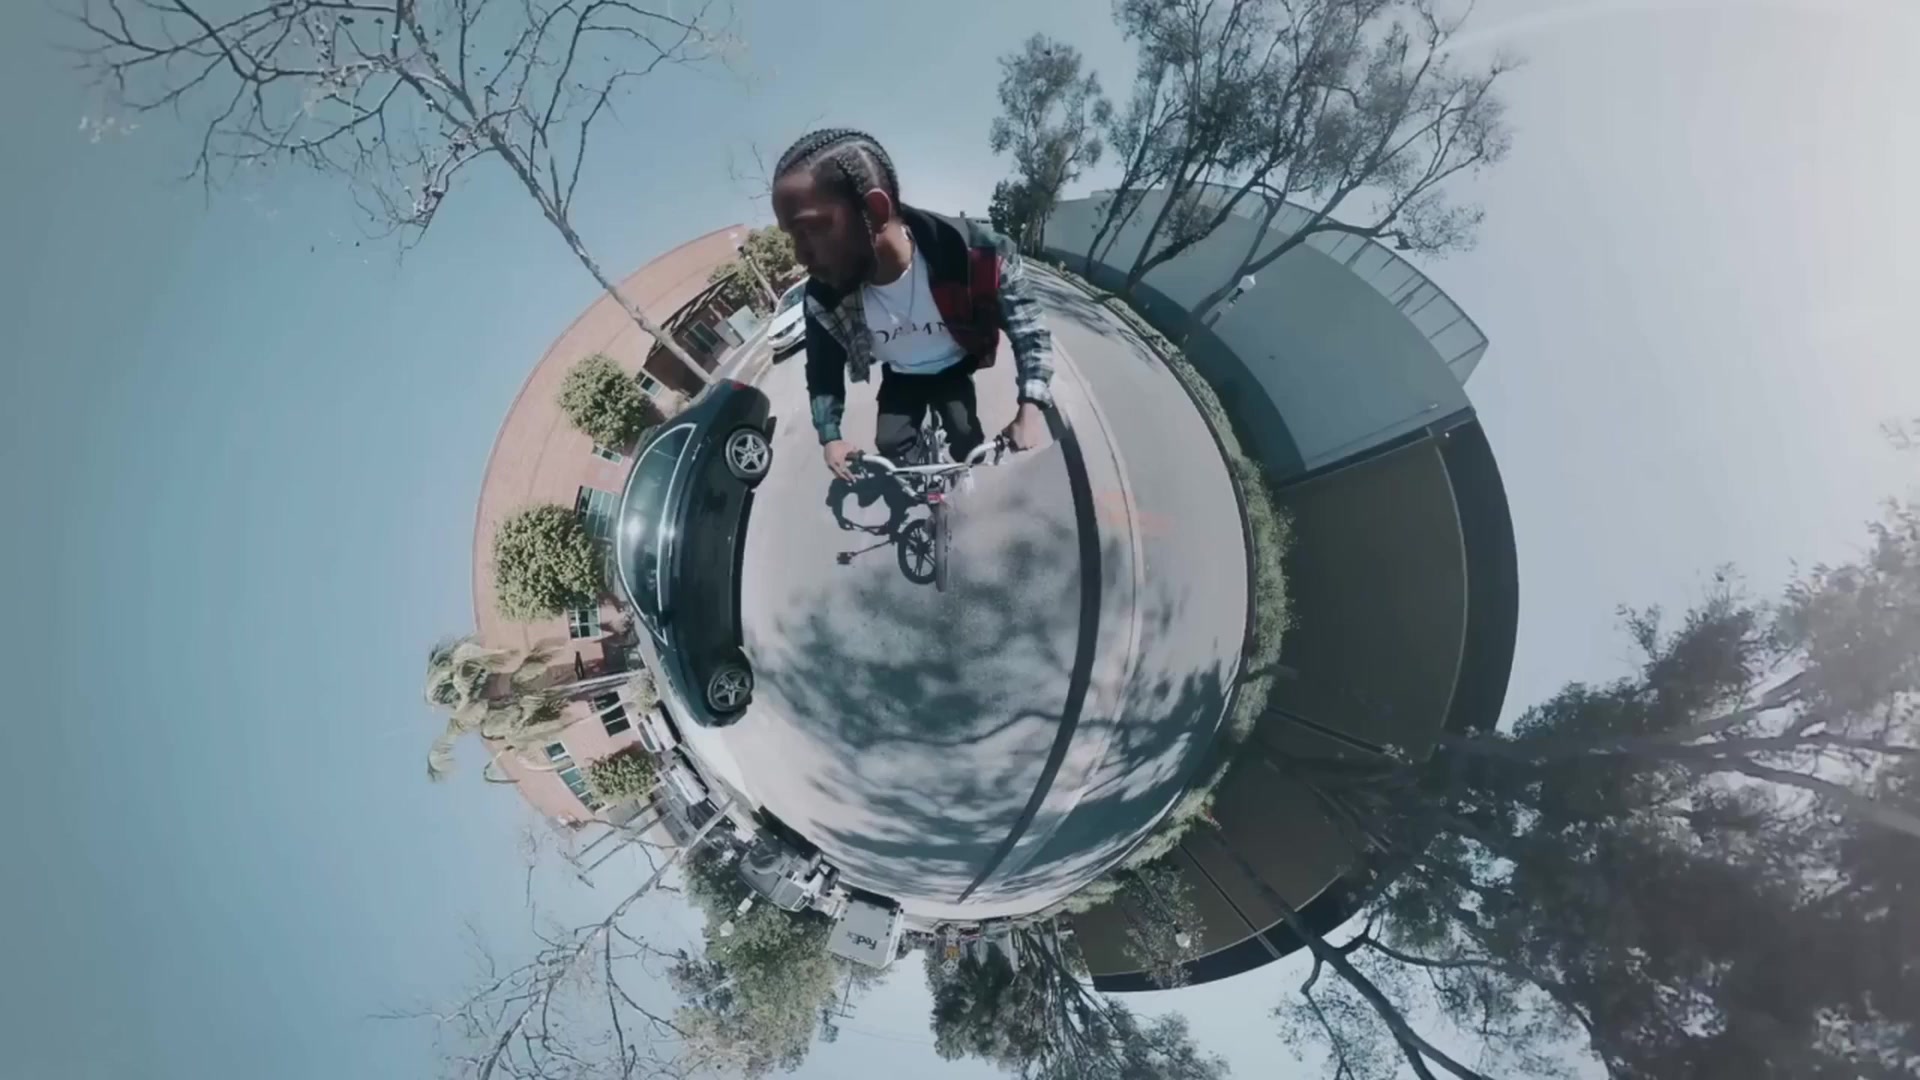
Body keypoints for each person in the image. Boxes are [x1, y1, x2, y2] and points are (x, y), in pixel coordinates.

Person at [769, 128, 1057, 482]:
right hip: (901, 376)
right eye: (792, 237)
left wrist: (1030, 408)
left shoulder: (976, 255)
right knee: (890, 443)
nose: (800, 255)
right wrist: (830, 436)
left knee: (967, 439)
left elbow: (1030, 330)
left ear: (874, 210)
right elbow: (822, 371)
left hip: (953, 366)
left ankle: (960, 472)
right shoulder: (824, 296)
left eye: (809, 230)